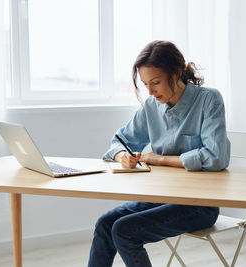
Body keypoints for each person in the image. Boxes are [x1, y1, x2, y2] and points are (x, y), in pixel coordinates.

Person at [88, 40, 230, 267]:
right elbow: (117, 143)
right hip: (160, 197)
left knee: (124, 231)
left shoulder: (208, 100)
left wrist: (159, 159)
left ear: (176, 73)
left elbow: (216, 157)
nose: (151, 91)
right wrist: (121, 156)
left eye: (155, 82)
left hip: (199, 204)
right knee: (105, 223)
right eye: (145, 84)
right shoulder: (150, 107)